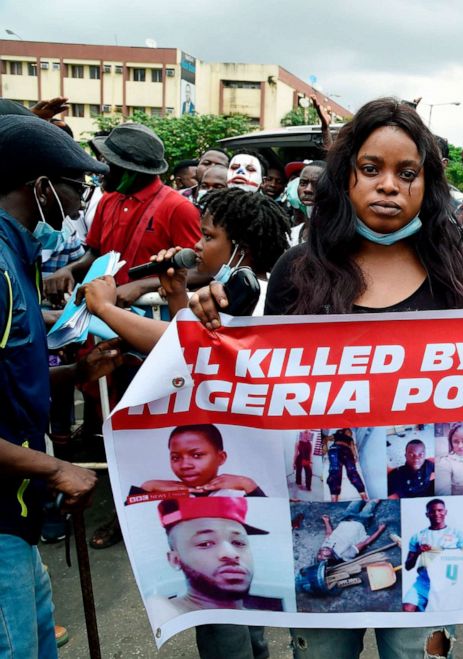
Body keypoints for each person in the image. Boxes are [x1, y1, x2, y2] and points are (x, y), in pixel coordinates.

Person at [186, 97, 463, 658]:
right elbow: (262, 385)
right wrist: (210, 321)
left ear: (427, 185)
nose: (388, 186)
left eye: (406, 173)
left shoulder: (460, 272)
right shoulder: (301, 271)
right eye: (371, 169)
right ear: (346, 178)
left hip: (427, 528)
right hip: (322, 503)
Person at [0, 114, 121, 659]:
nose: (81, 202)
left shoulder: (15, 253)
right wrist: (53, 468)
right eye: (76, 184)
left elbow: (10, 380)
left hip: (16, 517)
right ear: (41, 186)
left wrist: (75, 375)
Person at [79, 187, 291, 354]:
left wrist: (104, 307)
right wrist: (175, 292)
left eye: (208, 237)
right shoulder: (227, 289)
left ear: (241, 248)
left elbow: (181, 347)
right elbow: (189, 341)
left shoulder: (255, 296)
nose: (197, 245)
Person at [56, 123, 202, 303]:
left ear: (130, 171)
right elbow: (95, 253)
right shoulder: (107, 200)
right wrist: (69, 270)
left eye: (108, 163)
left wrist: (142, 286)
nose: (100, 170)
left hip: (152, 320)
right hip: (105, 315)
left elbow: (200, 271)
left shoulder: (179, 208)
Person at [146, 497, 277, 619]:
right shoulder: (166, 611)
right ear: (175, 560)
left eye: (239, 543)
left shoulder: (265, 620)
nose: (231, 554)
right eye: (205, 543)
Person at [126, 424, 266, 501]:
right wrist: (147, 488)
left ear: (221, 458)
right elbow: (132, 522)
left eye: (197, 455)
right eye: (176, 457)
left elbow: (270, 523)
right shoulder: (159, 494)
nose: (185, 465)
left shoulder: (239, 493)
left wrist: (248, 485)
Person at [402, 499, 463, 612]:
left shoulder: (457, 534)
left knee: (439, 615)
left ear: (445, 512)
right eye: (432, 511)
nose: (436, 514)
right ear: (427, 514)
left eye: (440, 510)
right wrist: (417, 552)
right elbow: (408, 566)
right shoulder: (418, 537)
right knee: (407, 608)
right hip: (424, 583)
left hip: (447, 586)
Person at [314, 502, 386, 565]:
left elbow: (329, 534)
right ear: (330, 559)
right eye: (322, 555)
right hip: (360, 522)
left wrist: (327, 521)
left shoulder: (325, 547)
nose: (321, 551)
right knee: (372, 502)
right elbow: (366, 542)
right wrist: (380, 530)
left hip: (346, 518)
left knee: (357, 499)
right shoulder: (346, 554)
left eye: (319, 553)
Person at [322, 428, 369, 502]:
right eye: (348, 431)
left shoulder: (350, 439)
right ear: (344, 431)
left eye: (351, 432)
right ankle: (334, 499)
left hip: (347, 452)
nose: (350, 432)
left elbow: (353, 447)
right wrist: (325, 447)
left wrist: (355, 456)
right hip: (336, 448)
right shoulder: (338, 434)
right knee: (335, 471)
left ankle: (364, 496)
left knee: (352, 471)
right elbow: (326, 438)